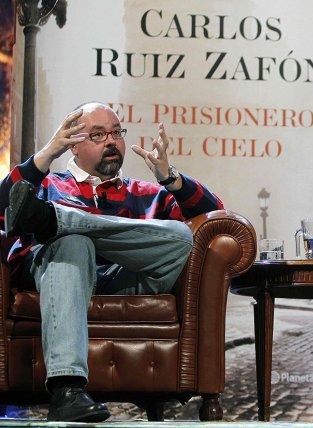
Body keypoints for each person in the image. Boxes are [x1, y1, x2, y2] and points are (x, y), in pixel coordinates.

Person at [0, 102, 224, 422]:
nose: (111, 141)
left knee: (181, 237)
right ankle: (68, 389)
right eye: (98, 134)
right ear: (73, 146)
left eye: (117, 133)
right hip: (61, 274)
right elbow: (2, 209)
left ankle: (57, 221)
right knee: (74, 243)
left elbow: (215, 217)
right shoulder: (48, 185)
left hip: (122, 280)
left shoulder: (146, 194)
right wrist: (46, 155)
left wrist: (170, 178)